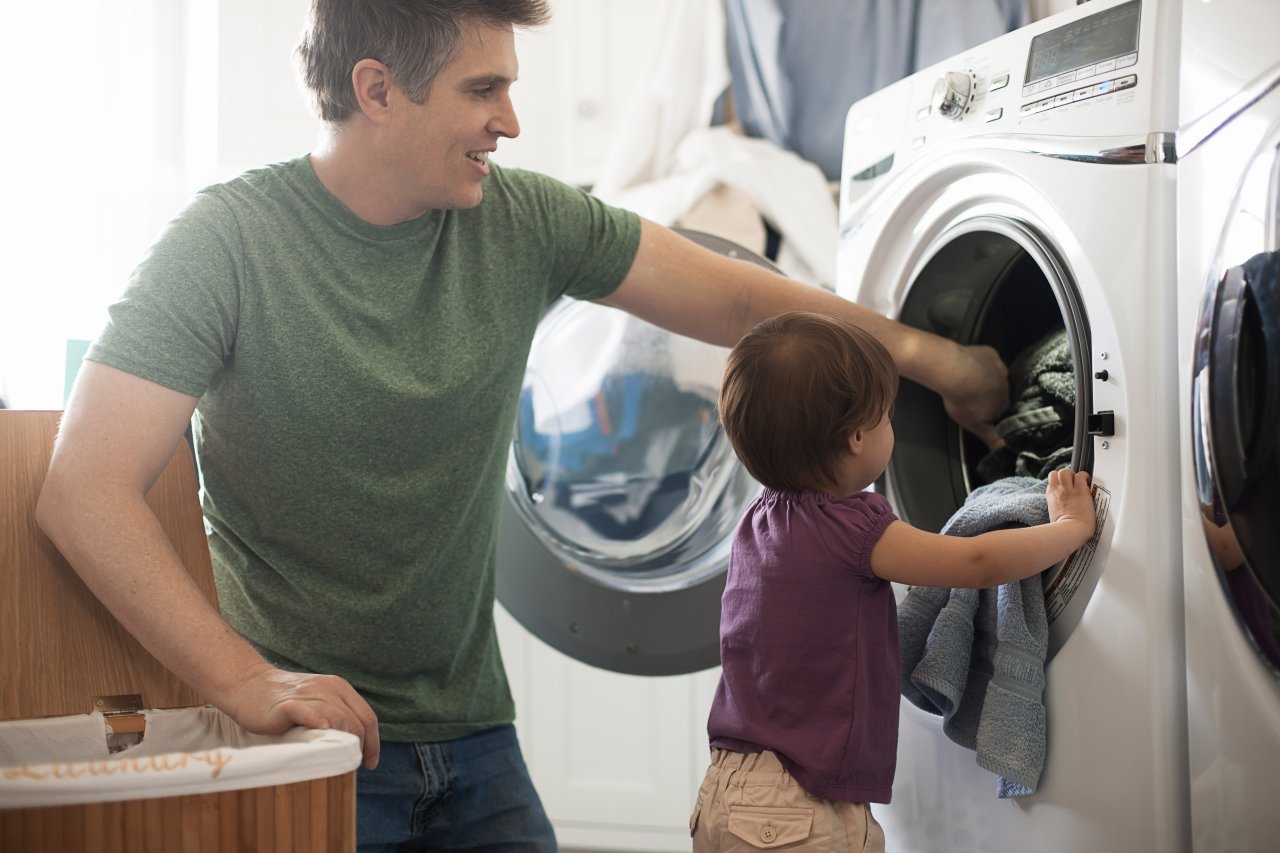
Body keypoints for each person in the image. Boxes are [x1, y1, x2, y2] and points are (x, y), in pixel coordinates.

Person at [35, 1, 1008, 849]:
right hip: (307, 741)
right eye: (481, 89)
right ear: (377, 90)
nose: (509, 120)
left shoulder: (522, 221)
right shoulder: (225, 244)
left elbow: (747, 307)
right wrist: (249, 682)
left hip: (474, 734)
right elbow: (83, 490)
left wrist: (936, 360)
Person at [690, 312, 1095, 852]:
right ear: (857, 438)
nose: (890, 428)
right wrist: (1069, 527)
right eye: (885, 417)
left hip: (729, 791)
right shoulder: (854, 527)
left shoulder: (758, 521)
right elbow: (976, 563)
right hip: (798, 808)